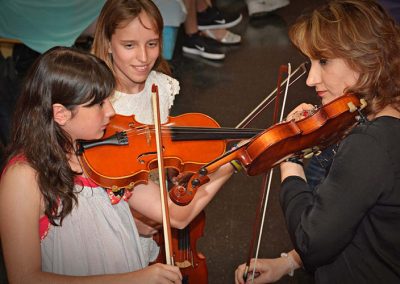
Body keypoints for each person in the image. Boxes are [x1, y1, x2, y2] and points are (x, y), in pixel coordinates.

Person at [235, 0, 400, 283]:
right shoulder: (387, 118)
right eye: (310, 63)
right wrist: (287, 262)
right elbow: (348, 218)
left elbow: (312, 242)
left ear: (365, 57)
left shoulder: (369, 144)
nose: (311, 79)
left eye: (323, 61)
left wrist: (289, 158)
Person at [0, 46, 183, 283]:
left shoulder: (93, 153)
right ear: (61, 114)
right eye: (99, 103)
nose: (111, 111)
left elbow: (173, 212)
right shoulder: (23, 177)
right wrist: (132, 279)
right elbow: (25, 278)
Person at [91, 0, 236, 267]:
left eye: (152, 43)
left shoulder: (160, 85)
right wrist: (131, 219)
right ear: (108, 43)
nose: (143, 58)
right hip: (118, 221)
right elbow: (93, 176)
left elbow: (163, 152)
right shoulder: (99, 104)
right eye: (129, 45)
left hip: (160, 208)